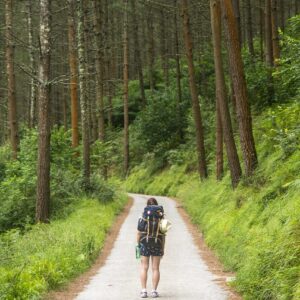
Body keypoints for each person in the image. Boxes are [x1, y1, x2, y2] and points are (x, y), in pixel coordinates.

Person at [136, 197, 165, 298]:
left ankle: (144, 291)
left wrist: (138, 245)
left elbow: (139, 232)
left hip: (145, 243)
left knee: (144, 267)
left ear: (147, 205)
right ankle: (154, 291)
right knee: (155, 268)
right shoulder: (161, 216)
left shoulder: (143, 215)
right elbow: (163, 234)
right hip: (157, 243)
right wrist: (162, 248)